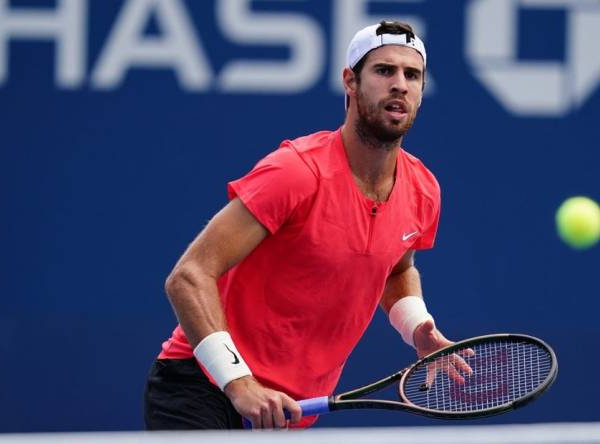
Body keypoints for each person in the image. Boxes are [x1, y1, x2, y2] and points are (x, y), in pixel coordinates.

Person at [144, 20, 455, 430]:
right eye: (383, 71)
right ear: (350, 81)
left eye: (411, 75)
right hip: (203, 387)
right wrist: (239, 382)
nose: (399, 84)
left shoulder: (424, 190)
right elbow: (188, 276)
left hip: (291, 411)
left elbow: (396, 268)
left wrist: (417, 327)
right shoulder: (296, 172)